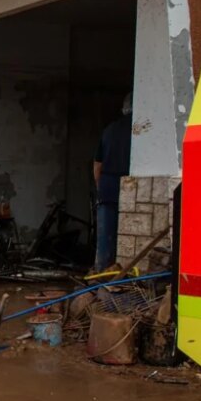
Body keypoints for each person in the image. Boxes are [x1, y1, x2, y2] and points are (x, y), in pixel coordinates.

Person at [93, 93, 133, 271]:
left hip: (107, 186)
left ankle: (102, 272)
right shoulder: (141, 129)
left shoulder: (110, 129)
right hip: (131, 188)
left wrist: (99, 187)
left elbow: (97, 165)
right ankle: (123, 274)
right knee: (128, 238)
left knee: (105, 238)